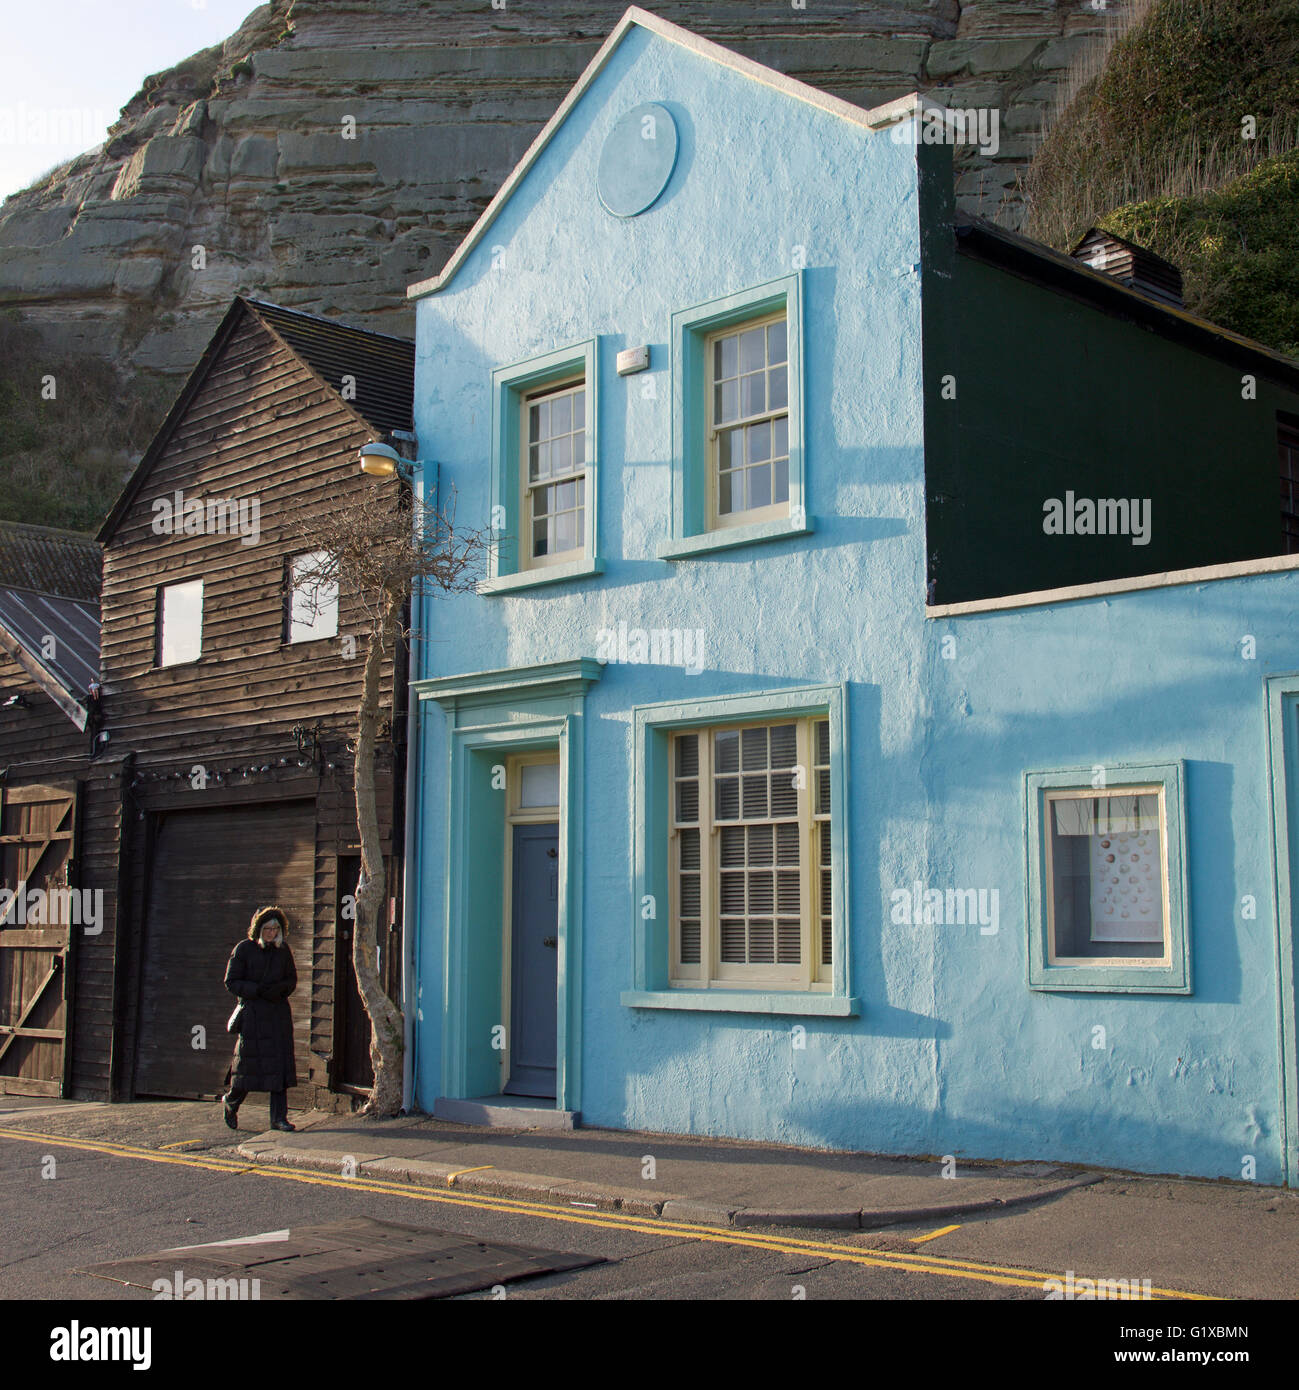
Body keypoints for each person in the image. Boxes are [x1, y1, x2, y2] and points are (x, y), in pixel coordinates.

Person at [221, 905, 298, 1132]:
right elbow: (231, 981)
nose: (272, 933)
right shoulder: (243, 949)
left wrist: (278, 990)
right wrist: (257, 990)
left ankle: (278, 1118)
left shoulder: (283, 951)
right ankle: (231, 1101)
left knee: (279, 1068)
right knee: (247, 1068)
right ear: (258, 929)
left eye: (276, 928)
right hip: (253, 1015)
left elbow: (291, 980)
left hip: (277, 1016)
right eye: (267, 928)